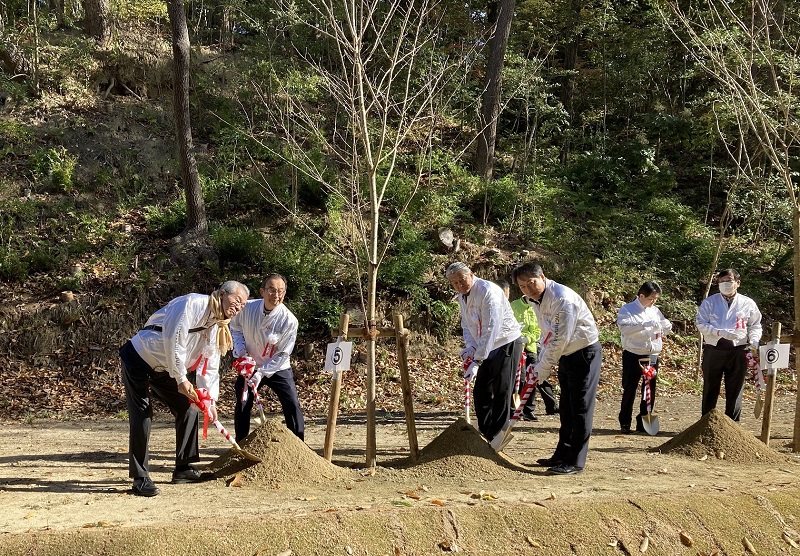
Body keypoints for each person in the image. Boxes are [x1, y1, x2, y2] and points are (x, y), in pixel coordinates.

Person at [120, 280, 249, 497]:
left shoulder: (218, 324)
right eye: (236, 300)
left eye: (242, 305)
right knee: (142, 414)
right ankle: (140, 478)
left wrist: (209, 399)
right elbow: (174, 340)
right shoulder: (192, 304)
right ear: (220, 294)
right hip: (139, 358)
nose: (238, 307)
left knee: (189, 408)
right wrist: (181, 379)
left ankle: (184, 468)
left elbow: (210, 362)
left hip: (166, 368)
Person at [511, 262, 602, 476]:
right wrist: (540, 362)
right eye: (522, 286)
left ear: (542, 277)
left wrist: (543, 368)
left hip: (583, 352)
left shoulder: (562, 298)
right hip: (565, 355)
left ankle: (575, 461)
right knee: (567, 407)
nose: (528, 289)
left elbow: (561, 337)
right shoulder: (535, 301)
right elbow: (547, 335)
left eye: (531, 283)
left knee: (580, 408)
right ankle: (562, 454)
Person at [446, 262, 524, 442]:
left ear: (471, 274)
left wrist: (478, 360)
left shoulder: (489, 291)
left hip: (506, 342)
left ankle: (498, 435)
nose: (459, 285)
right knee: (481, 391)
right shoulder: (461, 295)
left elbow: (491, 328)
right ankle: (486, 432)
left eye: (462, 280)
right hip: (485, 345)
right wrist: (471, 347)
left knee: (501, 390)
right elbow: (467, 324)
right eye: (454, 283)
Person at [231, 273, 304, 443]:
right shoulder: (246, 308)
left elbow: (283, 353)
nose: (276, 295)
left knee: (291, 403)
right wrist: (241, 353)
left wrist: (262, 373)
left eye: (280, 291)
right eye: (271, 290)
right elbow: (235, 329)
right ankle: (241, 443)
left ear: (285, 293)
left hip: (277, 367)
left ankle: (299, 444)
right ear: (262, 291)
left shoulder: (289, 320)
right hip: (249, 364)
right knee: (243, 402)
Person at [696, 269, 762, 421]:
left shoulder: (748, 303)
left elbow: (755, 325)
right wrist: (719, 332)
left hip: (739, 350)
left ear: (737, 283)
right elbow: (700, 323)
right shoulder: (709, 302)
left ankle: (733, 424)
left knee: (735, 388)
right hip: (714, 349)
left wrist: (754, 339)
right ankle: (706, 422)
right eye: (721, 282)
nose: (725, 284)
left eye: (729, 281)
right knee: (710, 387)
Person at [495, 279, 558, 421]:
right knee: (520, 379)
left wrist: (528, 339)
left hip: (532, 347)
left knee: (534, 378)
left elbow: (539, 329)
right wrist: (519, 339)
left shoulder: (539, 307)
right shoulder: (513, 306)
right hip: (516, 347)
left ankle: (530, 409)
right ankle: (517, 409)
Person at [617, 281, 672, 433]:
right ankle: (625, 422)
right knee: (630, 388)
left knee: (649, 389)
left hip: (652, 354)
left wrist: (666, 326)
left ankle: (644, 420)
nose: (653, 301)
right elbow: (625, 328)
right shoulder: (627, 309)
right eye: (651, 298)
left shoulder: (655, 310)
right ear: (641, 295)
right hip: (633, 354)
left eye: (656, 299)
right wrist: (645, 324)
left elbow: (663, 326)